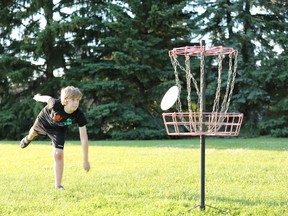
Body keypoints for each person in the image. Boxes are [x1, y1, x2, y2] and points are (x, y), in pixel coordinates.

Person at [20, 86, 90, 190]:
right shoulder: (55, 104)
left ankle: (58, 185)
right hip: (44, 121)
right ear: (65, 101)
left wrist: (85, 160)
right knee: (32, 133)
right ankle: (27, 139)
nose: (76, 103)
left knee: (58, 154)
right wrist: (38, 97)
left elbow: (84, 138)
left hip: (58, 129)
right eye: (73, 100)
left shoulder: (79, 114)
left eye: (78, 100)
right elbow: (47, 98)